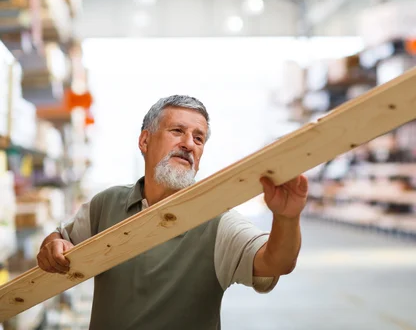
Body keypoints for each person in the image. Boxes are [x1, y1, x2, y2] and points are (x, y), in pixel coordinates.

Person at [36, 95, 308, 330]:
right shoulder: (106, 205)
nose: (189, 144)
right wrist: (53, 245)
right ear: (145, 141)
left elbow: (277, 262)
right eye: (177, 131)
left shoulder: (217, 221)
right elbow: (58, 240)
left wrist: (287, 217)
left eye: (198, 138)